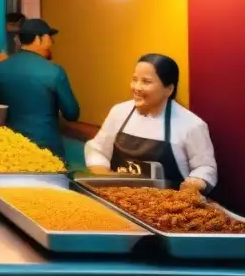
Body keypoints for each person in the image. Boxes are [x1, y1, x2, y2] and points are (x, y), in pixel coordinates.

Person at [85, 54, 216, 193]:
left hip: (166, 207)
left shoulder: (191, 124)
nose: (136, 87)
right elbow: (97, 150)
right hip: (118, 198)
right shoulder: (119, 112)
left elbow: (205, 168)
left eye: (146, 82)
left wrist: (192, 186)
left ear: (169, 89)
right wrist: (105, 178)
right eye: (134, 79)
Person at [0, 19, 80, 161]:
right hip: (46, 150)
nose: (52, 43)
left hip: (11, 146)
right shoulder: (54, 71)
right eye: (50, 38)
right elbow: (72, 113)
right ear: (40, 39)